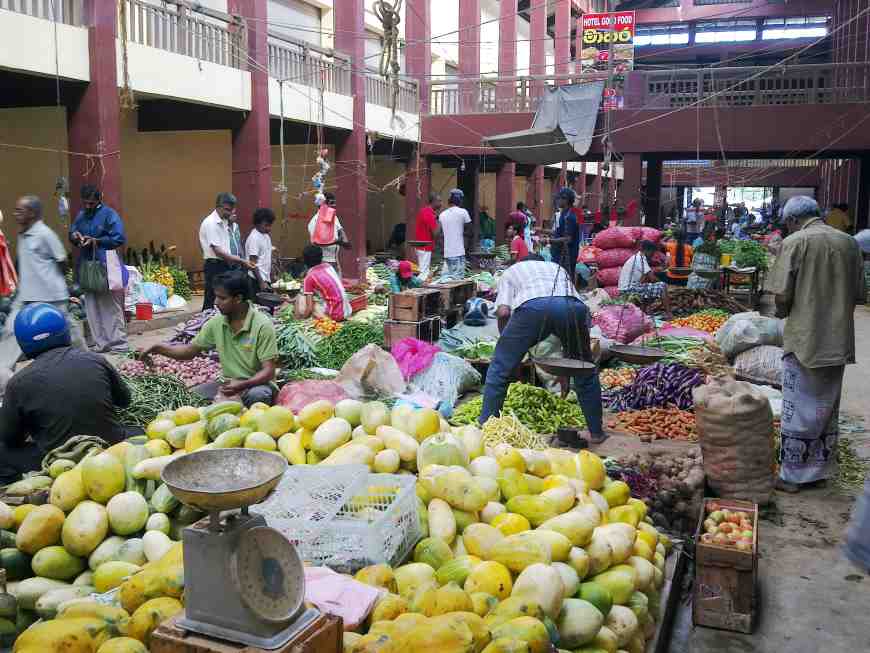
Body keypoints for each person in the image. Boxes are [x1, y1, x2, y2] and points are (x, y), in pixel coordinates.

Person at [768, 196, 864, 493]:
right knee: (825, 407)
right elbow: (860, 292)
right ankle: (819, 472)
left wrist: (783, 312)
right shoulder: (849, 243)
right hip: (837, 338)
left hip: (805, 339)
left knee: (797, 407)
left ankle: (793, 476)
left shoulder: (796, 242)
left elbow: (782, 295)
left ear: (793, 220)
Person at [478, 254, 606, 444]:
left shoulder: (512, 271)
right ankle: (596, 432)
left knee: (499, 369)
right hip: (575, 307)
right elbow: (560, 316)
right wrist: (566, 369)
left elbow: (503, 311)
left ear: (521, 262)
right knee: (584, 368)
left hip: (534, 308)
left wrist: (507, 345)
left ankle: (487, 426)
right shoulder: (556, 267)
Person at [0, 303, 131, 482]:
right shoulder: (95, 360)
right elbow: (125, 400)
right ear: (65, 332)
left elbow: (9, 438)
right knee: (136, 430)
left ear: (23, 344)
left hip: (60, 462)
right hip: (111, 448)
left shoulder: (18, 383)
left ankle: (25, 489)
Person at [141, 270, 278, 407]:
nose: (216, 302)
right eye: (216, 296)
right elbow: (189, 351)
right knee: (191, 397)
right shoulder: (216, 323)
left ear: (238, 299)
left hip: (256, 384)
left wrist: (243, 384)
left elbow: (268, 371)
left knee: (259, 395)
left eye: (222, 298)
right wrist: (158, 348)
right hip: (228, 383)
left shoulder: (262, 325)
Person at [0, 196, 85, 390]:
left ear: (32, 213)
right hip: (26, 297)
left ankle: (89, 363)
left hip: (51, 297)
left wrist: (51, 281)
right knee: (11, 332)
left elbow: (62, 261)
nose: (15, 214)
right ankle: (2, 376)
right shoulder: (23, 234)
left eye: (20, 210)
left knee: (69, 333)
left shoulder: (45, 234)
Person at [69, 185, 129, 353]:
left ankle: (118, 344)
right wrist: (75, 237)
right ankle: (101, 344)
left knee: (109, 305)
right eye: (85, 203)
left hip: (105, 264)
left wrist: (97, 240)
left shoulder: (109, 215)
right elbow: (73, 231)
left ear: (98, 200)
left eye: (91, 203)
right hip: (87, 265)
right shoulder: (81, 215)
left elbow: (118, 238)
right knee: (92, 306)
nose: (88, 206)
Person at [199, 192, 254, 311]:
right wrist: (242, 261)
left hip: (226, 265)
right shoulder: (210, 223)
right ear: (218, 207)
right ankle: (204, 326)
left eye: (232, 210)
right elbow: (218, 251)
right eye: (227, 210)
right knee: (212, 299)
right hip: (215, 266)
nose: (230, 213)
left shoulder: (224, 220)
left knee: (225, 297)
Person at [618, 240, 672, 317]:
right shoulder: (640, 258)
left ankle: (642, 312)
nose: (652, 255)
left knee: (647, 287)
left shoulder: (636, 257)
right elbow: (652, 278)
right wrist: (666, 286)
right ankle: (669, 314)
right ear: (648, 251)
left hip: (625, 288)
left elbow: (645, 278)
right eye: (652, 252)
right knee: (662, 286)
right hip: (629, 290)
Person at [302, 245, 351, 321]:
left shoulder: (309, 277)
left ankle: (325, 318)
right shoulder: (329, 266)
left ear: (305, 260)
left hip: (335, 315)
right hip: (347, 310)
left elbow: (310, 308)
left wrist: (301, 319)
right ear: (322, 257)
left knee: (304, 300)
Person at [308, 192, 347, 276]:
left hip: (335, 260)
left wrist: (343, 239)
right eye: (331, 203)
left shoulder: (333, 217)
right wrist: (335, 242)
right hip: (323, 261)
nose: (334, 205)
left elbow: (341, 230)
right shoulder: (314, 221)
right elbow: (315, 243)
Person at [439, 188, 471, 277]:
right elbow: (469, 229)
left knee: (447, 279)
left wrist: (443, 248)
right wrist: (466, 244)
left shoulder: (442, 215)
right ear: (459, 200)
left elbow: (439, 235)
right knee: (457, 280)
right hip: (458, 252)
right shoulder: (463, 212)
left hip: (447, 253)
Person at [551, 188, 580, 278]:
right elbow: (559, 232)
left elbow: (568, 238)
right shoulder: (563, 214)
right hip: (559, 252)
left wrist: (549, 240)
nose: (557, 200)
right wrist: (542, 230)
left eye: (559, 198)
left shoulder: (570, 216)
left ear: (566, 199)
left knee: (565, 279)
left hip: (567, 255)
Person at [245, 207, 275, 292]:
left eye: (270, 225)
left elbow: (267, 257)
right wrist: (261, 282)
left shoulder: (266, 236)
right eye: (266, 225)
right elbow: (252, 263)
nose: (269, 228)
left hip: (265, 279)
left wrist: (272, 275)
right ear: (257, 223)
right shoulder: (254, 238)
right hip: (256, 279)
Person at [414, 192, 441, 277]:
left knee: (423, 270)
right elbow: (435, 233)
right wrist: (439, 221)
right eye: (439, 201)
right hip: (425, 247)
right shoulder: (429, 213)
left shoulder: (424, 211)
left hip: (421, 246)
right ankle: (419, 289)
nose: (441, 203)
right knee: (424, 273)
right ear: (433, 202)